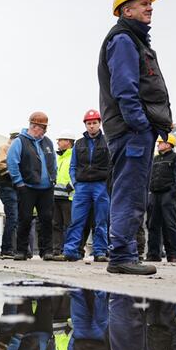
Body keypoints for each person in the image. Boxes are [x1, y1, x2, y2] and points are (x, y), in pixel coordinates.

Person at [99, 0, 173, 275]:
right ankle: (121, 256)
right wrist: (141, 125)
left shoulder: (134, 40)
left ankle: (125, 253)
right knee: (129, 193)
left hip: (132, 129)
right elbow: (125, 89)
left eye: (150, 4)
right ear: (126, 10)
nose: (149, 7)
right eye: (143, 4)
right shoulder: (124, 40)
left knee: (131, 191)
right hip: (131, 130)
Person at [6, 112, 57, 260]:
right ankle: (21, 251)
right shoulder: (19, 142)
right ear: (34, 127)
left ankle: (46, 251)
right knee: (25, 218)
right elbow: (12, 162)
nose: (44, 131)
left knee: (47, 219)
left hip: (47, 188)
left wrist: (53, 177)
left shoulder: (47, 142)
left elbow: (53, 161)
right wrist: (19, 183)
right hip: (27, 187)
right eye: (43, 128)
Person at [62, 110, 111, 262]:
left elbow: (112, 165)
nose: (91, 126)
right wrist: (75, 182)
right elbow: (73, 166)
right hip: (82, 186)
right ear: (85, 125)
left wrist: (107, 184)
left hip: (100, 186)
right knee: (77, 220)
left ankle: (100, 251)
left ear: (99, 124)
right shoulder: (79, 144)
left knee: (101, 220)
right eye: (89, 123)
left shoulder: (107, 142)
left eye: (94, 123)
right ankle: (71, 251)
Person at [145, 134, 176, 262]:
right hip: (154, 195)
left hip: (167, 195)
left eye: (160, 142)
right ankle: (153, 254)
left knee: (170, 225)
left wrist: (172, 194)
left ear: (168, 144)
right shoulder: (155, 159)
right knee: (152, 225)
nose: (158, 145)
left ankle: (175, 255)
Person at [0, 132, 20, 259]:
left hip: (14, 188)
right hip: (7, 187)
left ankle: (12, 248)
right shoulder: (5, 148)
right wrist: (17, 177)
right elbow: (0, 165)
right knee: (12, 217)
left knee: (15, 219)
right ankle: (6, 249)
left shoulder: (16, 151)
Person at [50, 130, 75, 257]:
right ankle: (56, 249)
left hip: (68, 197)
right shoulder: (57, 157)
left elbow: (76, 173)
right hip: (56, 196)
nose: (58, 143)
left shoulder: (73, 156)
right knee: (56, 224)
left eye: (60, 140)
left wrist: (70, 186)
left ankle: (68, 249)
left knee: (69, 224)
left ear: (68, 142)